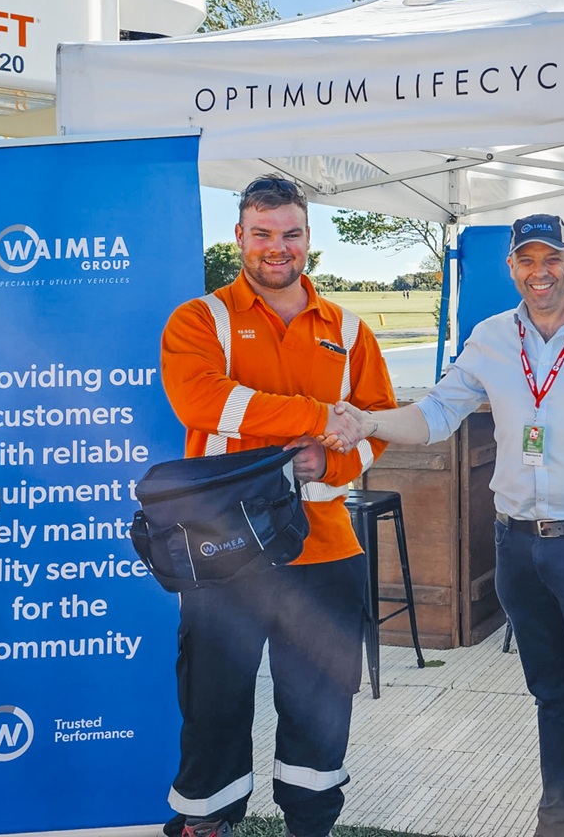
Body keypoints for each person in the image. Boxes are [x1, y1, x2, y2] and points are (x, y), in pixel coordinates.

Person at [330, 213, 564, 837]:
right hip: (518, 547)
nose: (540, 273)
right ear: (511, 267)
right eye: (526, 261)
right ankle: (557, 824)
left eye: (552, 259)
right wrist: (370, 423)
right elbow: (436, 414)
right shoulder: (491, 337)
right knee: (552, 699)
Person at [156, 174, 393, 837]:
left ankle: (310, 823)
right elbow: (205, 401)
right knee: (213, 703)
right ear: (239, 237)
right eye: (262, 234)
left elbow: (375, 427)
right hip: (223, 551)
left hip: (325, 547)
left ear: (308, 238)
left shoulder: (349, 331)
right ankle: (205, 822)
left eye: (290, 234)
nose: (277, 247)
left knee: (321, 707)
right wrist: (318, 418)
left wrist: (330, 457)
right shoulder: (200, 320)